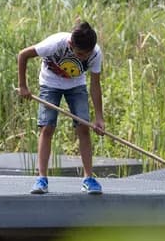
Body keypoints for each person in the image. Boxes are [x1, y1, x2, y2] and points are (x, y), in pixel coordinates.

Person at [16, 20, 105, 195]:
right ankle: (41, 179)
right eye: (80, 54)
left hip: (76, 85)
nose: (83, 58)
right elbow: (23, 55)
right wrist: (23, 86)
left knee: (84, 127)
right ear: (71, 45)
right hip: (50, 83)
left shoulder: (95, 53)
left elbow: (95, 85)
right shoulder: (55, 44)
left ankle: (88, 179)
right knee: (47, 127)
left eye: (86, 55)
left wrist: (99, 117)